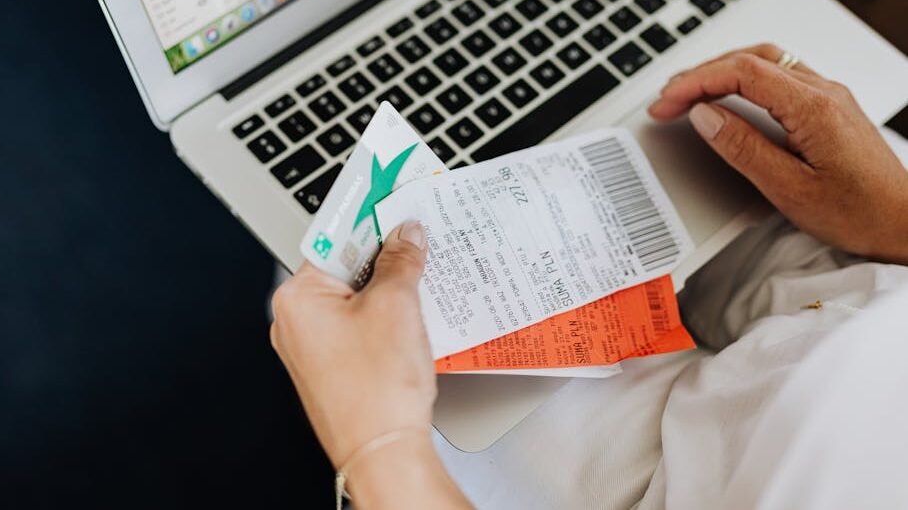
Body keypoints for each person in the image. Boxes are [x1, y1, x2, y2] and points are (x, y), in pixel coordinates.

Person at [269, 44, 908, 509]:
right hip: (879, 298)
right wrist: (895, 222)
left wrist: (379, 446)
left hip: (674, 487)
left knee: (312, 276)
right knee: (695, 149)